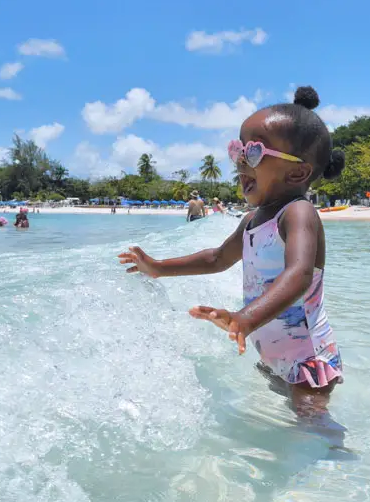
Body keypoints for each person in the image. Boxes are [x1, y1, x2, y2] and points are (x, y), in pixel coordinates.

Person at [118, 85, 346, 418]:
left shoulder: (298, 213)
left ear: (297, 171)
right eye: (237, 150)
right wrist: (158, 267)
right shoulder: (253, 220)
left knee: (313, 426)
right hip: (271, 354)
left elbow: (299, 275)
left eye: (253, 153)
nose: (240, 161)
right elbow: (217, 258)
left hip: (307, 355)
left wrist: (245, 319)